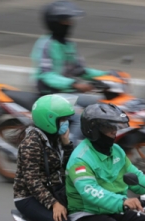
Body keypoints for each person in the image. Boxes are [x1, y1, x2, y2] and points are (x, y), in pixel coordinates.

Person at [13, 94, 76, 221]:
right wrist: (53, 204)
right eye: (62, 120)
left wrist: (67, 145)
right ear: (49, 120)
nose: (66, 124)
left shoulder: (54, 138)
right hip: (29, 198)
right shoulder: (31, 143)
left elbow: (65, 168)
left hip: (52, 191)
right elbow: (32, 181)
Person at [31, 1, 109, 142]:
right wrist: (75, 84)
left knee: (99, 105)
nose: (70, 24)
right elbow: (47, 75)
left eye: (70, 20)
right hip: (50, 96)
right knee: (81, 117)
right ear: (55, 22)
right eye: (65, 20)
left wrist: (107, 75)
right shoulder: (45, 45)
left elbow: (81, 70)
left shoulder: (68, 45)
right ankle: (69, 151)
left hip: (66, 94)